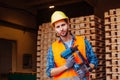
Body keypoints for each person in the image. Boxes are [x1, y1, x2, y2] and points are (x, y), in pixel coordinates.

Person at [46, 11, 98, 80]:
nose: (61, 29)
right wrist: (66, 66)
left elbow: (94, 60)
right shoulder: (53, 48)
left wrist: (86, 69)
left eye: (63, 25)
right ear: (55, 29)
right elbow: (49, 72)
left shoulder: (82, 41)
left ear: (68, 24)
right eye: (58, 27)